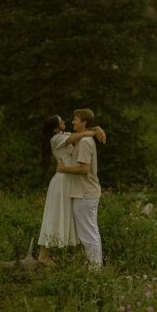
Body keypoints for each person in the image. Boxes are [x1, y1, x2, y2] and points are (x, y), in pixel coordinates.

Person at [38, 114, 106, 267]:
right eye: (61, 121)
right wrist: (91, 131)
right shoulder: (56, 139)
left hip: (70, 181)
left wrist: (96, 129)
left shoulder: (64, 135)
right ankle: (43, 254)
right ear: (56, 127)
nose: (65, 122)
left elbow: (80, 134)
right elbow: (79, 136)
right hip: (62, 180)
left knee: (69, 218)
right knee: (55, 214)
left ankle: (84, 257)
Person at [57, 108, 104, 271]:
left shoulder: (84, 143)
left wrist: (63, 170)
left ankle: (95, 270)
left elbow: (84, 169)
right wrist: (95, 129)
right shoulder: (82, 139)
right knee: (90, 231)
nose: (73, 121)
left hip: (85, 193)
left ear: (83, 122)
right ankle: (95, 267)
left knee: (88, 233)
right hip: (84, 193)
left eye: (76, 119)